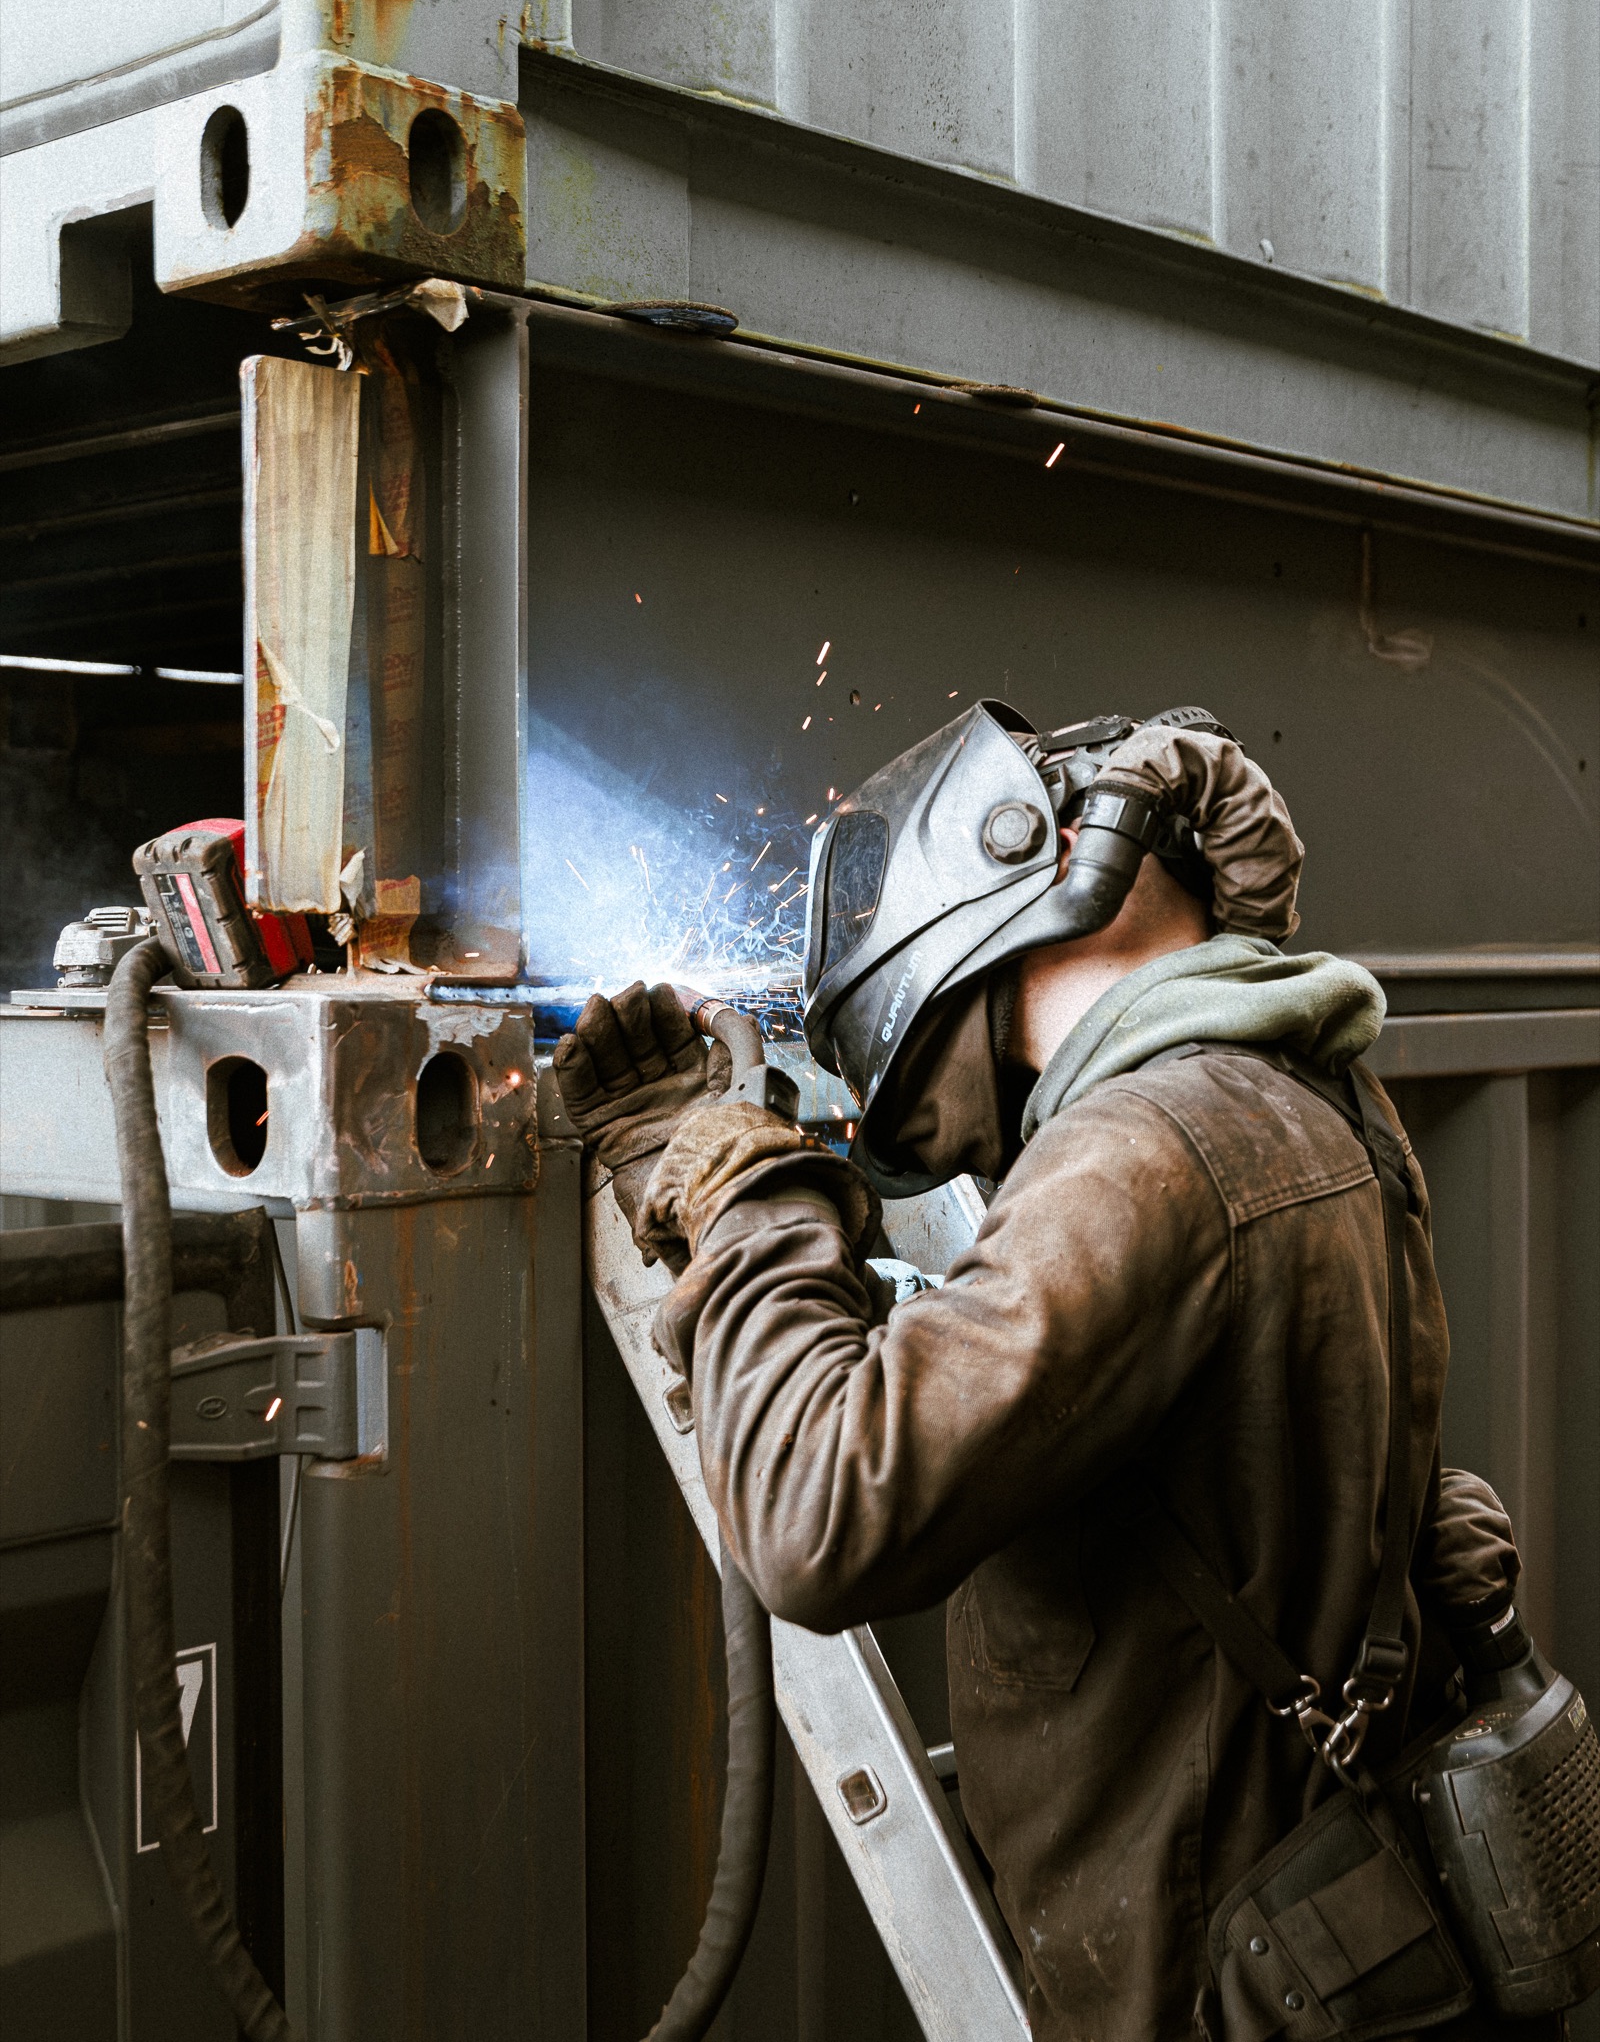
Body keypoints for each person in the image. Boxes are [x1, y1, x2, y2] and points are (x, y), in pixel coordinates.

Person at [554, 703, 1546, 2042]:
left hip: (1208, 1981)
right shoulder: (1313, 1094)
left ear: (1037, 857)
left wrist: (746, 1198)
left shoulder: (1144, 1153)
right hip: (1336, 1940)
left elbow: (820, 1518)